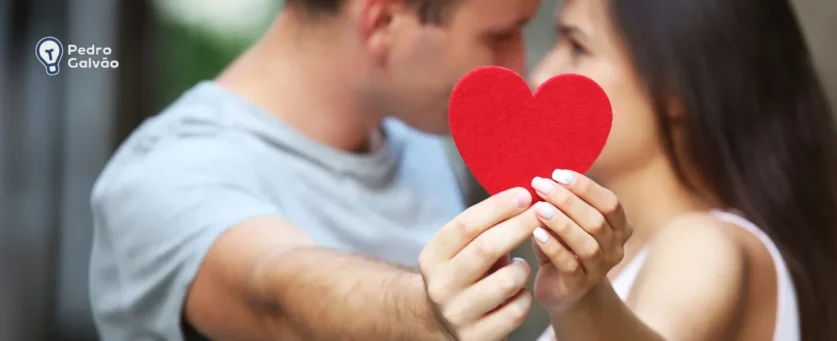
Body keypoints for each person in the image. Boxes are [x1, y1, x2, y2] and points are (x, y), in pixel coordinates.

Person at [87, 0, 561, 340]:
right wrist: (424, 311)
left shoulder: (419, 139)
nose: (519, 67)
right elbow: (271, 291)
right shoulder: (163, 173)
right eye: (500, 34)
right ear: (384, 22)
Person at [521, 0, 837, 340]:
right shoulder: (630, 261)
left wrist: (579, 303)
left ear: (673, 84)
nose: (541, 75)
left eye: (579, 47)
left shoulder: (706, 242)